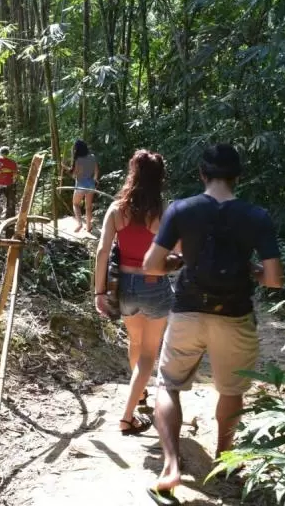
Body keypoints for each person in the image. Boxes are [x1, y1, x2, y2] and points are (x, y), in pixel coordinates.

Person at [142, 144, 284, 504]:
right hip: (234, 314)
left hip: (188, 309)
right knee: (231, 390)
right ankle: (224, 458)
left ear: (202, 174)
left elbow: (151, 265)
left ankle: (172, 465)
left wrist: (177, 263)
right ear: (238, 177)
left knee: (169, 384)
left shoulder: (182, 209)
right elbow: (274, 280)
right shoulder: (257, 216)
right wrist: (251, 269)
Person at [93, 150, 172, 436]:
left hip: (124, 287)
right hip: (154, 286)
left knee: (135, 342)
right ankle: (127, 417)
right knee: (150, 353)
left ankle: (138, 395)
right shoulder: (163, 212)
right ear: (159, 178)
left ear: (133, 174)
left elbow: (102, 252)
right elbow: (176, 253)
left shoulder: (116, 210)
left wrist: (99, 292)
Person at [67, 139, 99, 233]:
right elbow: (96, 171)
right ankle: (89, 227)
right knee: (88, 207)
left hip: (81, 185)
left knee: (75, 204)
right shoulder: (92, 157)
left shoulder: (78, 160)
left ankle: (79, 223)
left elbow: (74, 175)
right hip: (91, 185)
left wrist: (70, 171)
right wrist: (95, 180)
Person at [0, 146, 19, 218]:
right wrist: (9, 172)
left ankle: (0, 207)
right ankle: (9, 215)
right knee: (9, 198)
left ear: (0, 152)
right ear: (8, 153)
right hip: (8, 182)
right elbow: (15, 173)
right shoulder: (12, 162)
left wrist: (3, 170)